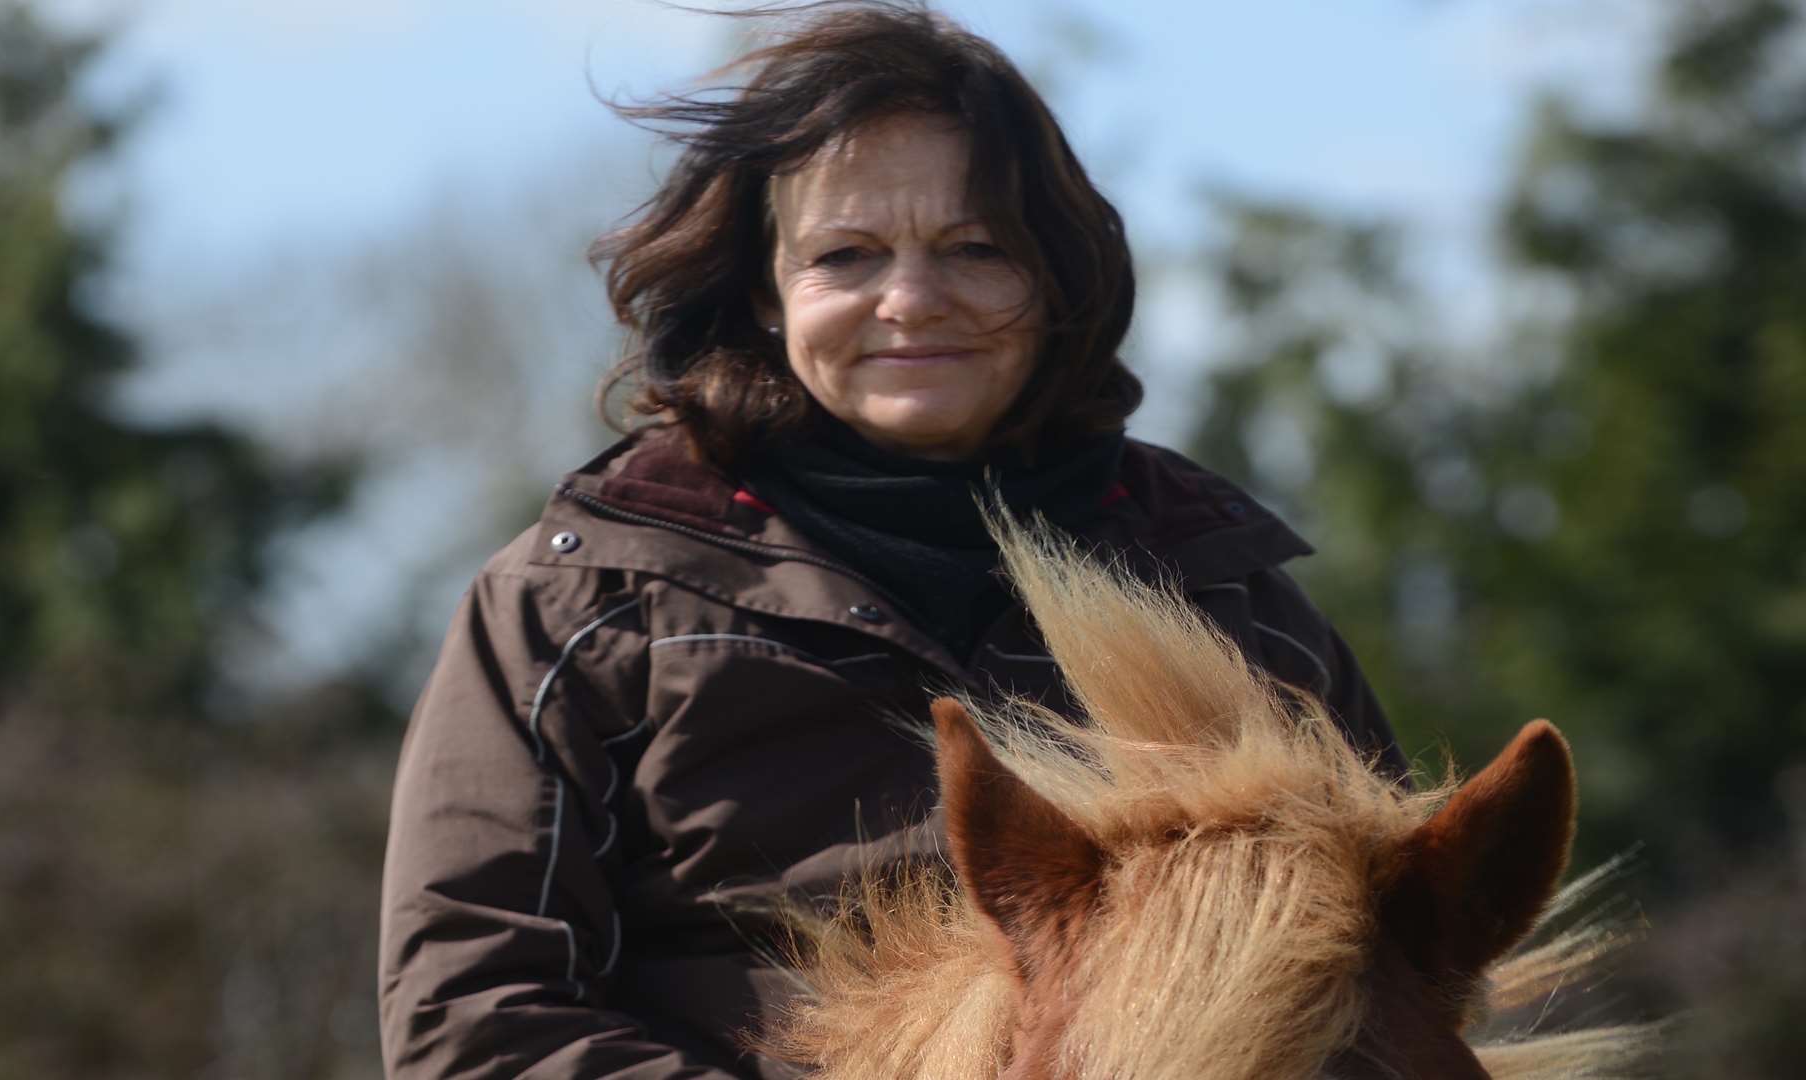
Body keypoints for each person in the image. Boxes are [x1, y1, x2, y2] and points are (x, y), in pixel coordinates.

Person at [378, 4, 1407, 1077]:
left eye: (976, 248)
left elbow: (1399, 965)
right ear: (767, 296)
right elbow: (473, 1012)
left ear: (1053, 280)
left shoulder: (1226, 595)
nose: (913, 300)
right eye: (846, 255)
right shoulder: (585, 605)